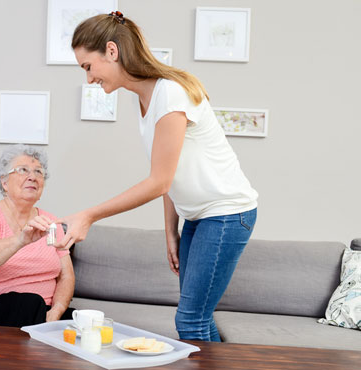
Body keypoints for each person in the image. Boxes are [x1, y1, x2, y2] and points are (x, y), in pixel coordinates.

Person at [55, 11, 258, 342]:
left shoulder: (170, 93)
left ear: (111, 51)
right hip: (200, 216)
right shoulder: (146, 99)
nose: (88, 78)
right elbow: (168, 173)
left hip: (227, 213)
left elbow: (160, 181)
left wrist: (89, 215)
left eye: (87, 67)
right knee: (199, 319)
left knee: (190, 320)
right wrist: (170, 231)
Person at [0, 144, 75, 329]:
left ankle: (44, 331)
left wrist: (57, 310)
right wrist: (20, 240)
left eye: (39, 172)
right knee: (30, 303)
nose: (32, 177)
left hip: (42, 312)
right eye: (23, 170)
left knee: (87, 323)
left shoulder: (52, 222)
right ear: (4, 182)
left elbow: (66, 276)